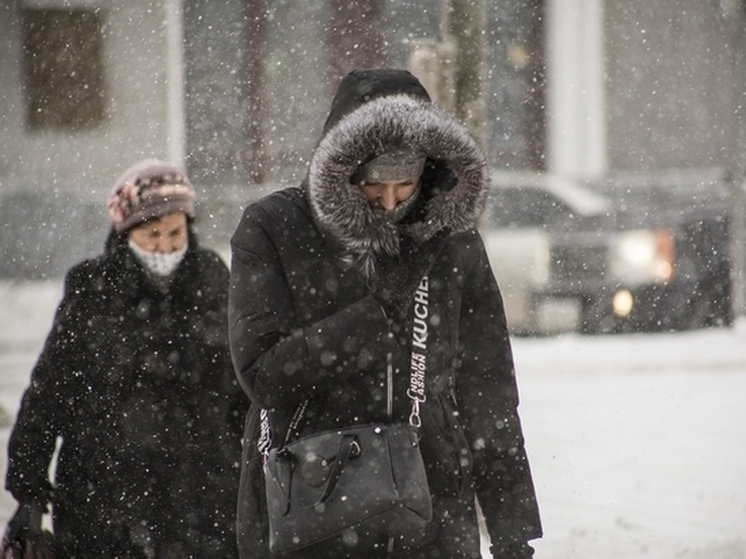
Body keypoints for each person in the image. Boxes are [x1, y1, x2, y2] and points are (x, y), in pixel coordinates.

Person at [229, 69, 542, 558]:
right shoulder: (274, 226)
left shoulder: (452, 240)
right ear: (343, 169)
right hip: (310, 497)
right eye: (375, 187)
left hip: (433, 504)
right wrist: (379, 312)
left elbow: (488, 391)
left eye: (407, 184)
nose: (391, 202)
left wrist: (512, 527)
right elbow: (265, 374)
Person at [4, 159, 247, 558]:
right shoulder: (92, 289)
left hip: (203, 495)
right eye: (152, 235)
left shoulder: (212, 281)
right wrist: (28, 489)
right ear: (125, 233)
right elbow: (51, 391)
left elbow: (241, 387)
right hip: (104, 498)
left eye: (175, 233)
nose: (166, 246)